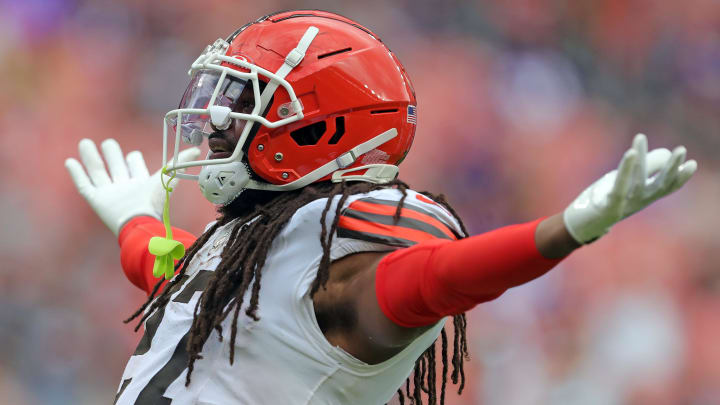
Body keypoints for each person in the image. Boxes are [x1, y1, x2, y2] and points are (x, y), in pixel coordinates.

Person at [64, 10, 697, 405]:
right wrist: (134, 224)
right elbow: (179, 282)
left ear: (316, 133)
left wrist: (561, 232)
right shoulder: (259, 238)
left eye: (241, 107)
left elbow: (438, 278)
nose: (214, 130)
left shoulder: (340, 252)